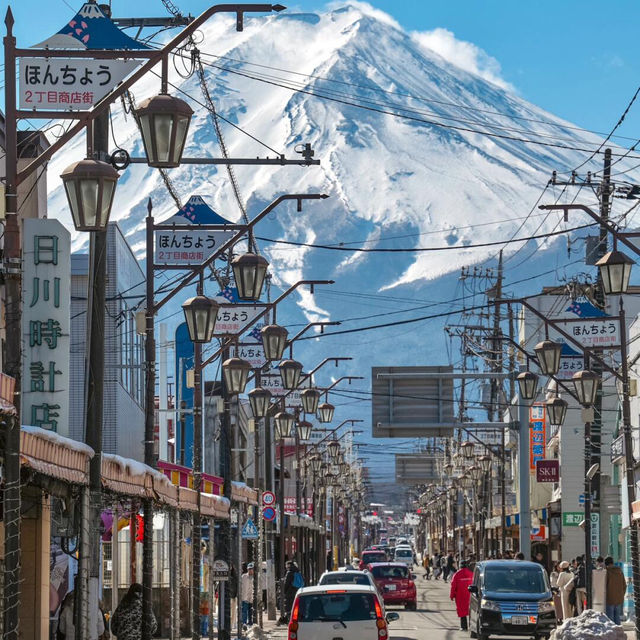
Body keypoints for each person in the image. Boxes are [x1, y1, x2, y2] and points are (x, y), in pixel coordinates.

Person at [450, 560, 474, 630]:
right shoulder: (471, 574)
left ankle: (464, 626)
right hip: (470, 595)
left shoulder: (456, 574)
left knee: (462, 611)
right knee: (470, 611)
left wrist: (452, 595)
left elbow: (453, 586)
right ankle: (472, 626)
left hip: (460, 596)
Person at [605, 556, 626, 625]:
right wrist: (621, 595)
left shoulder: (607, 572)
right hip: (619, 599)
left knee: (610, 619)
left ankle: (612, 634)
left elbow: (604, 585)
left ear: (606, 563)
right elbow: (624, 585)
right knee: (617, 617)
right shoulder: (620, 571)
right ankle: (618, 634)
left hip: (609, 598)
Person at [241, 563, 255, 627]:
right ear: (247, 569)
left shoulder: (255, 578)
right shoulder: (243, 576)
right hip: (245, 597)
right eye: (249, 569)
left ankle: (250, 622)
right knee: (244, 611)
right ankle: (244, 623)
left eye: (251, 569)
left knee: (251, 611)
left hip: (252, 597)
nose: (250, 570)